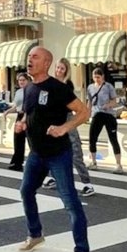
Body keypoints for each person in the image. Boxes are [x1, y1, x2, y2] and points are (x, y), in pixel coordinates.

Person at [15, 46, 91, 252]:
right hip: (36, 154)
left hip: (58, 154)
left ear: (46, 62)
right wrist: (23, 124)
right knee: (26, 191)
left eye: (35, 57)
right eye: (28, 56)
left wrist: (64, 128)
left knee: (70, 203)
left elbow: (84, 112)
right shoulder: (28, 88)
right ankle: (35, 234)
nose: (30, 59)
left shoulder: (58, 88)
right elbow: (29, 114)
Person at [44, 59, 94, 195]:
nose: (59, 71)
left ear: (66, 71)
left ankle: (87, 183)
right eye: (58, 68)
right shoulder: (50, 83)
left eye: (62, 69)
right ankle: (53, 177)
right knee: (51, 149)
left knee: (75, 151)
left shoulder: (68, 85)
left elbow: (67, 103)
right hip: (54, 119)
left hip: (67, 118)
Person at [87, 67, 122, 173]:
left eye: (98, 77)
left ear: (103, 77)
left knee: (113, 139)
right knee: (92, 138)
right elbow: (89, 101)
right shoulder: (90, 87)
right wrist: (87, 114)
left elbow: (114, 101)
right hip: (96, 114)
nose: (96, 79)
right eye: (95, 77)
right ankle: (93, 162)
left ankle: (119, 164)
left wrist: (108, 105)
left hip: (108, 114)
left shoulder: (108, 86)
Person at [7, 71, 30, 171]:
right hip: (19, 115)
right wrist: (7, 111)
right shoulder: (18, 92)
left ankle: (41, 166)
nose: (21, 82)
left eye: (23, 80)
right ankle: (17, 163)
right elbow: (16, 106)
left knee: (31, 141)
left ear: (28, 80)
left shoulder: (31, 90)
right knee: (18, 140)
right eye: (19, 80)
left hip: (29, 116)